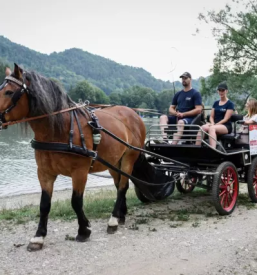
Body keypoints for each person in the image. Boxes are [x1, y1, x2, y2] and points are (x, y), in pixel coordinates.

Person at [159, 72, 202, 144]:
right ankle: (165, 139)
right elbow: (171, 108)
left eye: (185, 78)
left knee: (181, 122)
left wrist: (184, 114)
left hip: (190, 119)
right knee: (162, 117)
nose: (183, 80)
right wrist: (176, 113)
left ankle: (173, 145)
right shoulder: (178, 94)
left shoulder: (195, 93)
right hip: (178, 117)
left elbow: (198, 109)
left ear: (190, 79)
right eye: (182, 78)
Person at [195, 83, 234, 148]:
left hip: (225, 126)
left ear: (226, 91)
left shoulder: (230, 104)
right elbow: (211, 116)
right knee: (202, 128)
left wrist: (215, 125)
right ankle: (196, 148)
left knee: (212, 128)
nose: (221, 92)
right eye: (219, 90)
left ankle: (213, 150)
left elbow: (226, 119)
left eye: (223, 90)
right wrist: (212, 123)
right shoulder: (216, 103)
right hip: (215, 124)